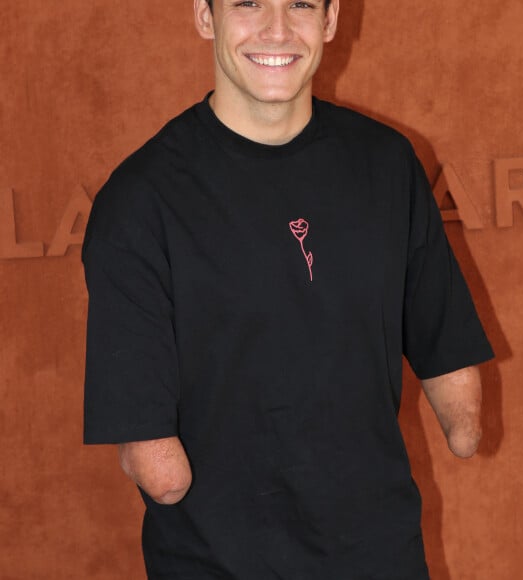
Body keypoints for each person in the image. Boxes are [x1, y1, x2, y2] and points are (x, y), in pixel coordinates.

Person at [82, 0, 494, 578]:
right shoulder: (139, 203)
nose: (276, 28)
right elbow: (160, 474)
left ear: (330, 19)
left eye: (300, 3)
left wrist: (462, 421)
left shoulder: (388, 165)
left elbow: (449, 363)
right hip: (215, 565)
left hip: (383, 558)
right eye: (247, 3)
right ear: (205, 15)